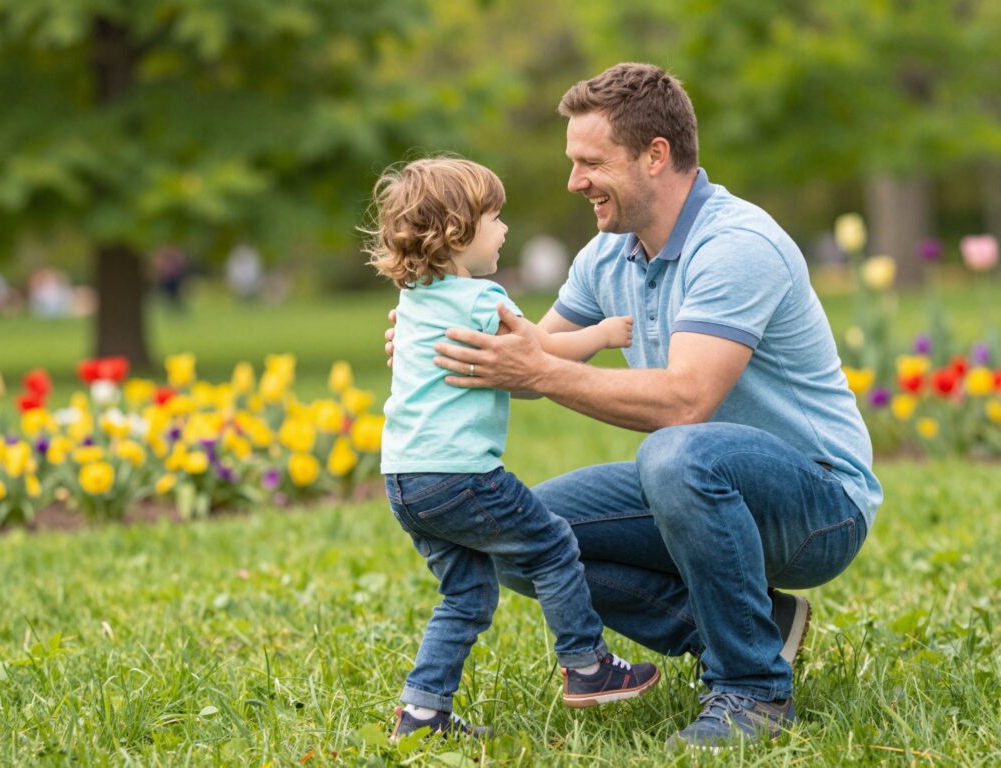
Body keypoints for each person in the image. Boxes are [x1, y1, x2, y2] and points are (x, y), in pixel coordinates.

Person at [385, 64, 883, 749]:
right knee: (513, 535)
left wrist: (534, 365)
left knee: (676, 451)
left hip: (817, 504)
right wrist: (449, 348)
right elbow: (529, 362)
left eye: (592, 162)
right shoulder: (606, 257)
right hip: (698, 482)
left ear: (655, 155)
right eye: (573, 162)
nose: (574, 181)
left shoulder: (736, 245)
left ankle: (754, 692)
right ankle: (749, 628)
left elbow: (686, 400)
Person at [364, 157, 659, 742]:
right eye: (494, 218)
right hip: (461, 476)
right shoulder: (481, 299)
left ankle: (421, 714)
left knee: (467, 595)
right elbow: (538, 351)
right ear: (456, 233)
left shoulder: (416, 299)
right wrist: (602, 334)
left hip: (405, 480)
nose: (504, 230)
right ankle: (587, 665)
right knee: (553, 544)